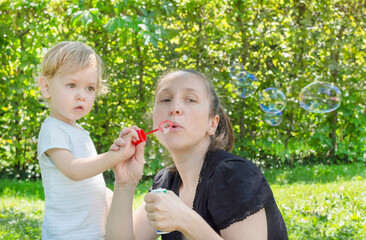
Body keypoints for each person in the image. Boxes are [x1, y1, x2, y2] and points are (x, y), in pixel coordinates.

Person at [106, 69, 288, 240]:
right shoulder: (165, 183)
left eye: (190, 99)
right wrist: (125, 184)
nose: (174, 108)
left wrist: (186, 220)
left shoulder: (234, 175)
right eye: (165, 99)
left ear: (212, 124)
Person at [37, 41, 142, 239]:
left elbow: (90, 183)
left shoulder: (79, 131)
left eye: (90, 88)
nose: (81, 96)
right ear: (46, 87)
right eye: (71, 85)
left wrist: (111, 198)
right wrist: (114, 156)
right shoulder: (52, 129)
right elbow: (75, 170)